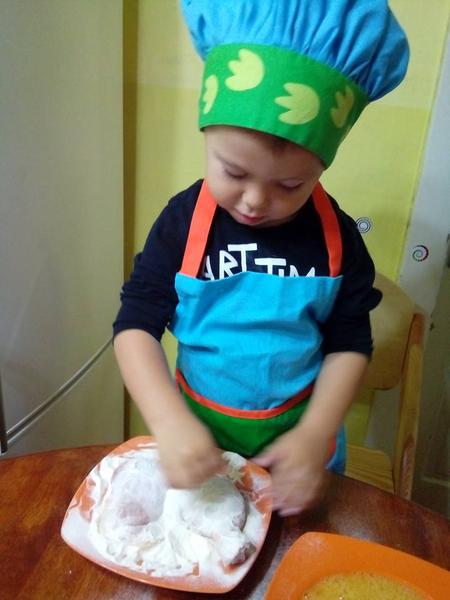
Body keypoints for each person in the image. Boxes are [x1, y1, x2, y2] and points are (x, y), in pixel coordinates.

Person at [113, 0, 409, 516]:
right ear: (207, 137)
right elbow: (135, 326)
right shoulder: (183, 223)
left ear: (319, 169)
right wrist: (168, 420)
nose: (254, 201)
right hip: (201, 444)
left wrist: (315, 434)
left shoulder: (337, 239)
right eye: (233, 172)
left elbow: (349, 344)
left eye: (289, 185)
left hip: (298, 455)